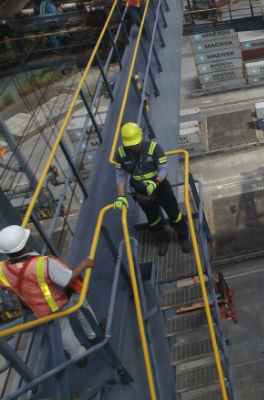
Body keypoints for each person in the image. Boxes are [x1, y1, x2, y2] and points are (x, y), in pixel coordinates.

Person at [0, 225, 97, 366]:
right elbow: (67, 280)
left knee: (63, 332)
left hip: (42, 310)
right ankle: (93, 334)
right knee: (82, 306)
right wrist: (84, 264)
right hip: (63, 301)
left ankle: (78, 356)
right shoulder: (43, 263)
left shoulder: (2, 270)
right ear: (26, 246)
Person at [113, 122, 192, 256]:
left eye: (135, 144)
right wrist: (121, 196)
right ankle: (163, 240)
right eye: (130, 145)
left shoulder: (154, 148)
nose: (133, 147)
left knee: (175, 214)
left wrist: (156, 182)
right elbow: (120, 175)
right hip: (142, 193)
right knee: (153, 219)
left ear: (141, 137)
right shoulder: (121, 154)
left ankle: (183, 238)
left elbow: (163, 168)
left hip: (161, 188)